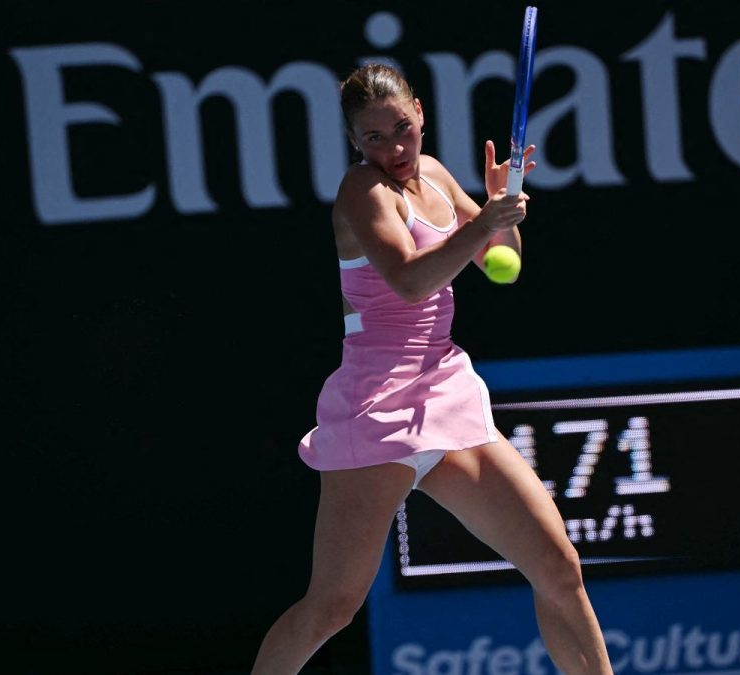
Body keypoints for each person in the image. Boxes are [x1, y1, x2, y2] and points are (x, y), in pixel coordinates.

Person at [251, 64, 613, 674]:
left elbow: (501, 260)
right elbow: (411, 280)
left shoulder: (439, 176)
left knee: (558, 568)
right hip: (379, 409)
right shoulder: (361, 193)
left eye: (401, 128)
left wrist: (500, 211)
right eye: (374, 138)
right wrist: (482, 225)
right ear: (354, 142)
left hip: (444, 393)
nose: (393, 148)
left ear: (420, 112)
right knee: (333, 605)